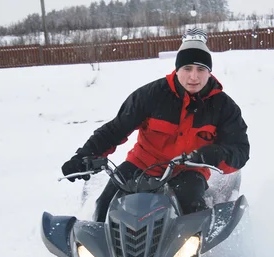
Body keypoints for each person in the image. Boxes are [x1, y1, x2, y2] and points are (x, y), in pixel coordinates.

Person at [61, 28, 250, 222]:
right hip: (143, 164)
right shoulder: (151, 95)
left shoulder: (224, 107)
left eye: (201, 69)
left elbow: (240, 150)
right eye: (187, 68)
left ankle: (198, 252)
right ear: (177, 69)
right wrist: (84, 155)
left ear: (209, 72)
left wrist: (216, 154)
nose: (194, 76)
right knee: (105, 206)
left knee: (192, 212)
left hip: (190, 168)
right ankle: (104, 251)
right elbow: (115, 130)